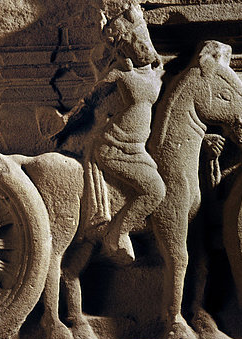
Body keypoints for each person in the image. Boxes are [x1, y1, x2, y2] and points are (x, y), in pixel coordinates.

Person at [39, 3, 166, 263]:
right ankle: (117, 235)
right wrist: (65, 122)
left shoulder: (156, 74)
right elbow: (88, 101)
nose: (143, 47)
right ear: (124, 48)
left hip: (137, 149)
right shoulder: (118, 73)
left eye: (144, 40)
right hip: (114, 145)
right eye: (135, 43)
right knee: (155, 190)